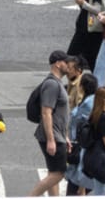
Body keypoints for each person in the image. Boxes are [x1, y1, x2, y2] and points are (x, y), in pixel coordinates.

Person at [29, 51, 72, 197]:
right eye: (66, 63)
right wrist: (51, 140)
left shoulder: (56, 83)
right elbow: (46, 112)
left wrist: (64, 136)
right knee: (59, 173)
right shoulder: (52, 84)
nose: (69, 66)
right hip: (52, 135)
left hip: (57, 134)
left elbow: (60, 114)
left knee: (53, 172)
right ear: (58, 64)